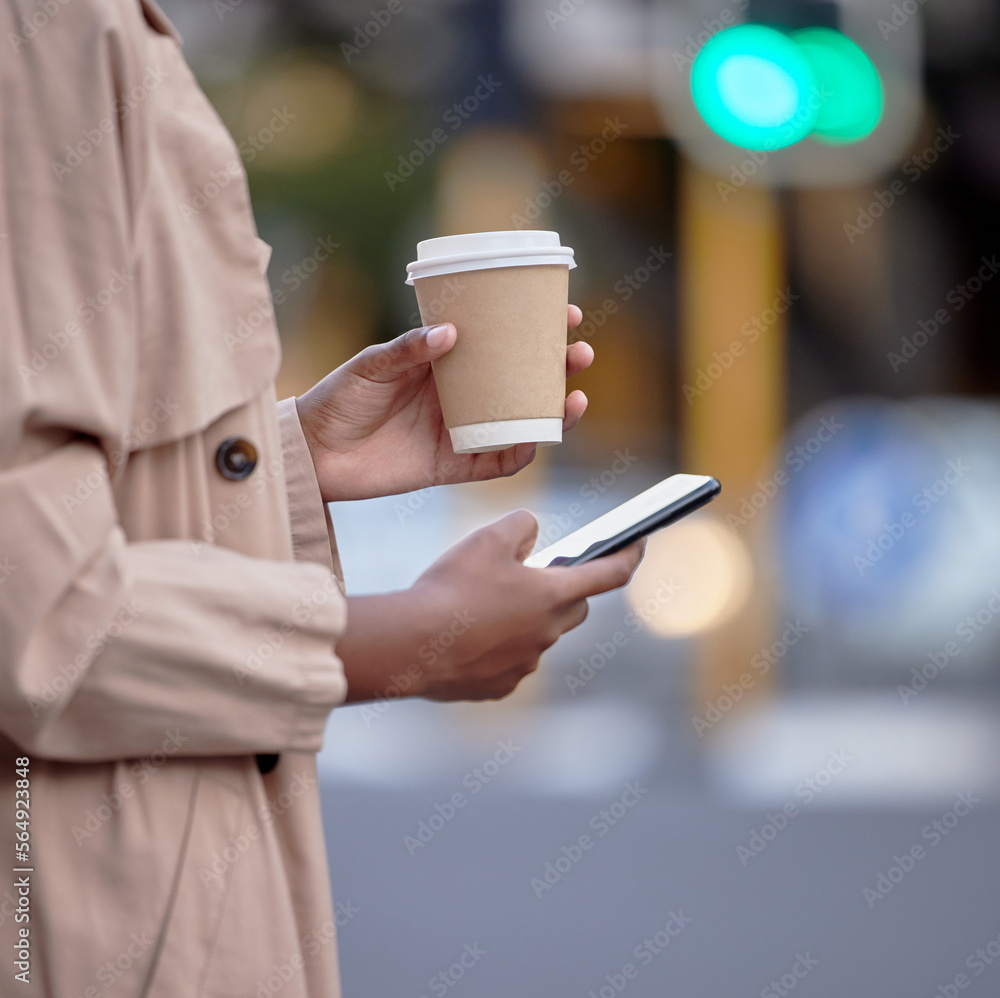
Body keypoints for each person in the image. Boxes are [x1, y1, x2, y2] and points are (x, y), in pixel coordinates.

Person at [0, 0, 645, 994]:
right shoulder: (47, 36)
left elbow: (79, 482)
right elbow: (39, 619)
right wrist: (408, 639)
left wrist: (284, 454)